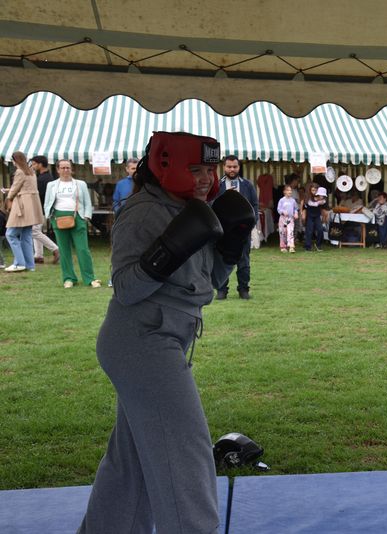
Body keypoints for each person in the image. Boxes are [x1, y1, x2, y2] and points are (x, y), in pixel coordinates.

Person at [77, 131, 254, 534]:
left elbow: (206, 282)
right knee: (186, 452)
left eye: (209, 169)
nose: (207, 178)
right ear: (165, 165)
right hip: (141, 342)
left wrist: (231, 251)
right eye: (196, 169)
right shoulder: (142, 213)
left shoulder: (192, 208)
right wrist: (167, 251)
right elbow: (126, 288)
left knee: (133, 462)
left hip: (164, 338)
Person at [43, 159, 101, 287]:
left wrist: (86, 216)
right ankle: (68, 278)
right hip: (58, 218)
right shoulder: (51, 185)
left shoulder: (80, 184)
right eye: (62, 168)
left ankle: (89, 278)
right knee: (63, 250)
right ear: (58, 170)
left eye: (68, 167)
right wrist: (50, 217)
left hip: (77, 217)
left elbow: (87, 201)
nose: (65, 170)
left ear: (72, 169)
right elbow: (47, 202)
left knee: (83, 249)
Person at [214, 155, 258, 300]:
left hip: (242, 231)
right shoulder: (216, 185)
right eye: (229, 166)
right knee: (220, 261)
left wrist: (252, 223)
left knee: (244, 261)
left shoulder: (247, 185)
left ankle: (244, 289)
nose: (232, 169)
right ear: (224, 167)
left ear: (239, 167)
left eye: (235, 166)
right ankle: (221, 290)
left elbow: (254, 205)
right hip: (222, 231)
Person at [4, 151, 44, 272]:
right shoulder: (31, 172)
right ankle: (29, 265)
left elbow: (15, 188)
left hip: (22, 206)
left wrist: (8, 197)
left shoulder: (20, 172)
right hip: (32, 205)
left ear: (15, 160)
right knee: (26, 236)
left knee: (10, 234)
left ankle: (19, 263)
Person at [29, 155, 60, 264]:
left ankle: (55, 249)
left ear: (40, 164)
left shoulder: (42, 179)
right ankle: (38, 255)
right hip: (42, 208)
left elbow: (39, 195)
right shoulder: (47, 177)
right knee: (36, 230)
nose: (32, 166)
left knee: (34, 231)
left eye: (34, 164)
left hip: (40, 208)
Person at [303, 184, 328, 251]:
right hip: (310, 216)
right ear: (310, 191)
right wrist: (318, 201)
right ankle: (308, 247)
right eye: (312, 190)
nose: (314, 192)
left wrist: (320, 199)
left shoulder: (321, 198)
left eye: (315, 190)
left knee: (320, 230)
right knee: (309, 231)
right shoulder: (308, 198)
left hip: (317, 216)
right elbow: (312, 204)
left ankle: (318, 245)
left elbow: (324, 202)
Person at [277, 184, 299, 253]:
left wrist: (296, 213)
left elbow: (296, 208)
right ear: (284, 192)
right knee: (282, 232)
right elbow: (278, 209)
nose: (290, 192)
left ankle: (291, 247)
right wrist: (283, 212)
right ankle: (283, 247)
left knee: (290, 232)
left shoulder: (293, 200)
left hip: (290, 219)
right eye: (288, 190)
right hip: (282, 219)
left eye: (290, 190)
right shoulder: (281, 200)